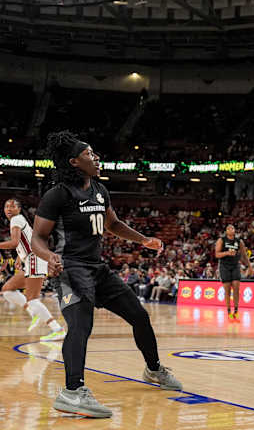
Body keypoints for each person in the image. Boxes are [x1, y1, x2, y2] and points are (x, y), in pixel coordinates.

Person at [30, 131, 182, 418]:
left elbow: (114, 224)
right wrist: (50, 256)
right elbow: (38, 237)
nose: (96, 157)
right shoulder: (58, 194)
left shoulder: (99, 189)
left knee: (139, 315)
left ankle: (153, 369)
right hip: (70, 269)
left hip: (97, 269)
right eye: (89, 154)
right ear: (74, 162)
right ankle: (72, 392)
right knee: (80, 325)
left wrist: (144, 240)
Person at [0, 198, 66, 341]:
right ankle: (33, 313)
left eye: (12, 206)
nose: (9, 209)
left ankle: (58, 329)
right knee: (7, 290)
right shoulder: (20, 219)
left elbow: (14, 242)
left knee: (33, 300)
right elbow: (26, 241)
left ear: (18, 209)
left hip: (35, 259)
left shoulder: (16, 219)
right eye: (6, 206)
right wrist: (20, 256)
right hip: (30, 259)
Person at [215, 224, 249, 322]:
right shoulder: (221, 240)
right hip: (224, 266)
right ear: (226, 231)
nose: (231, 229)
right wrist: (227, 253)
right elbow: (217, 254)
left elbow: (244, 254)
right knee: (227, 290)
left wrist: (249, 266)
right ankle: (229, 312)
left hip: (235, 265)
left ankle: (236, 311)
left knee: (236, 288)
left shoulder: (239, 241)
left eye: (233, 228)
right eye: (229, 228)